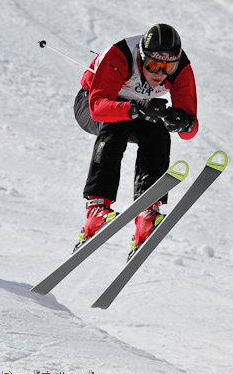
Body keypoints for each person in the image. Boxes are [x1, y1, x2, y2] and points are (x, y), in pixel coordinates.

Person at [73, 23, 198, 254]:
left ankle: (147, 212)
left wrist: (182, 121)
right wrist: (137, 108)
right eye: (153, 65)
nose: (159, 74)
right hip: (92, 105)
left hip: (137, 110)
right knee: (117, 124)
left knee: (158, 131)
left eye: (167, 67)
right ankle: (96, 207)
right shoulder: (120, 55)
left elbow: (190, 131)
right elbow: (97, 108)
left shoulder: (182, 68)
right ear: (141, 56)